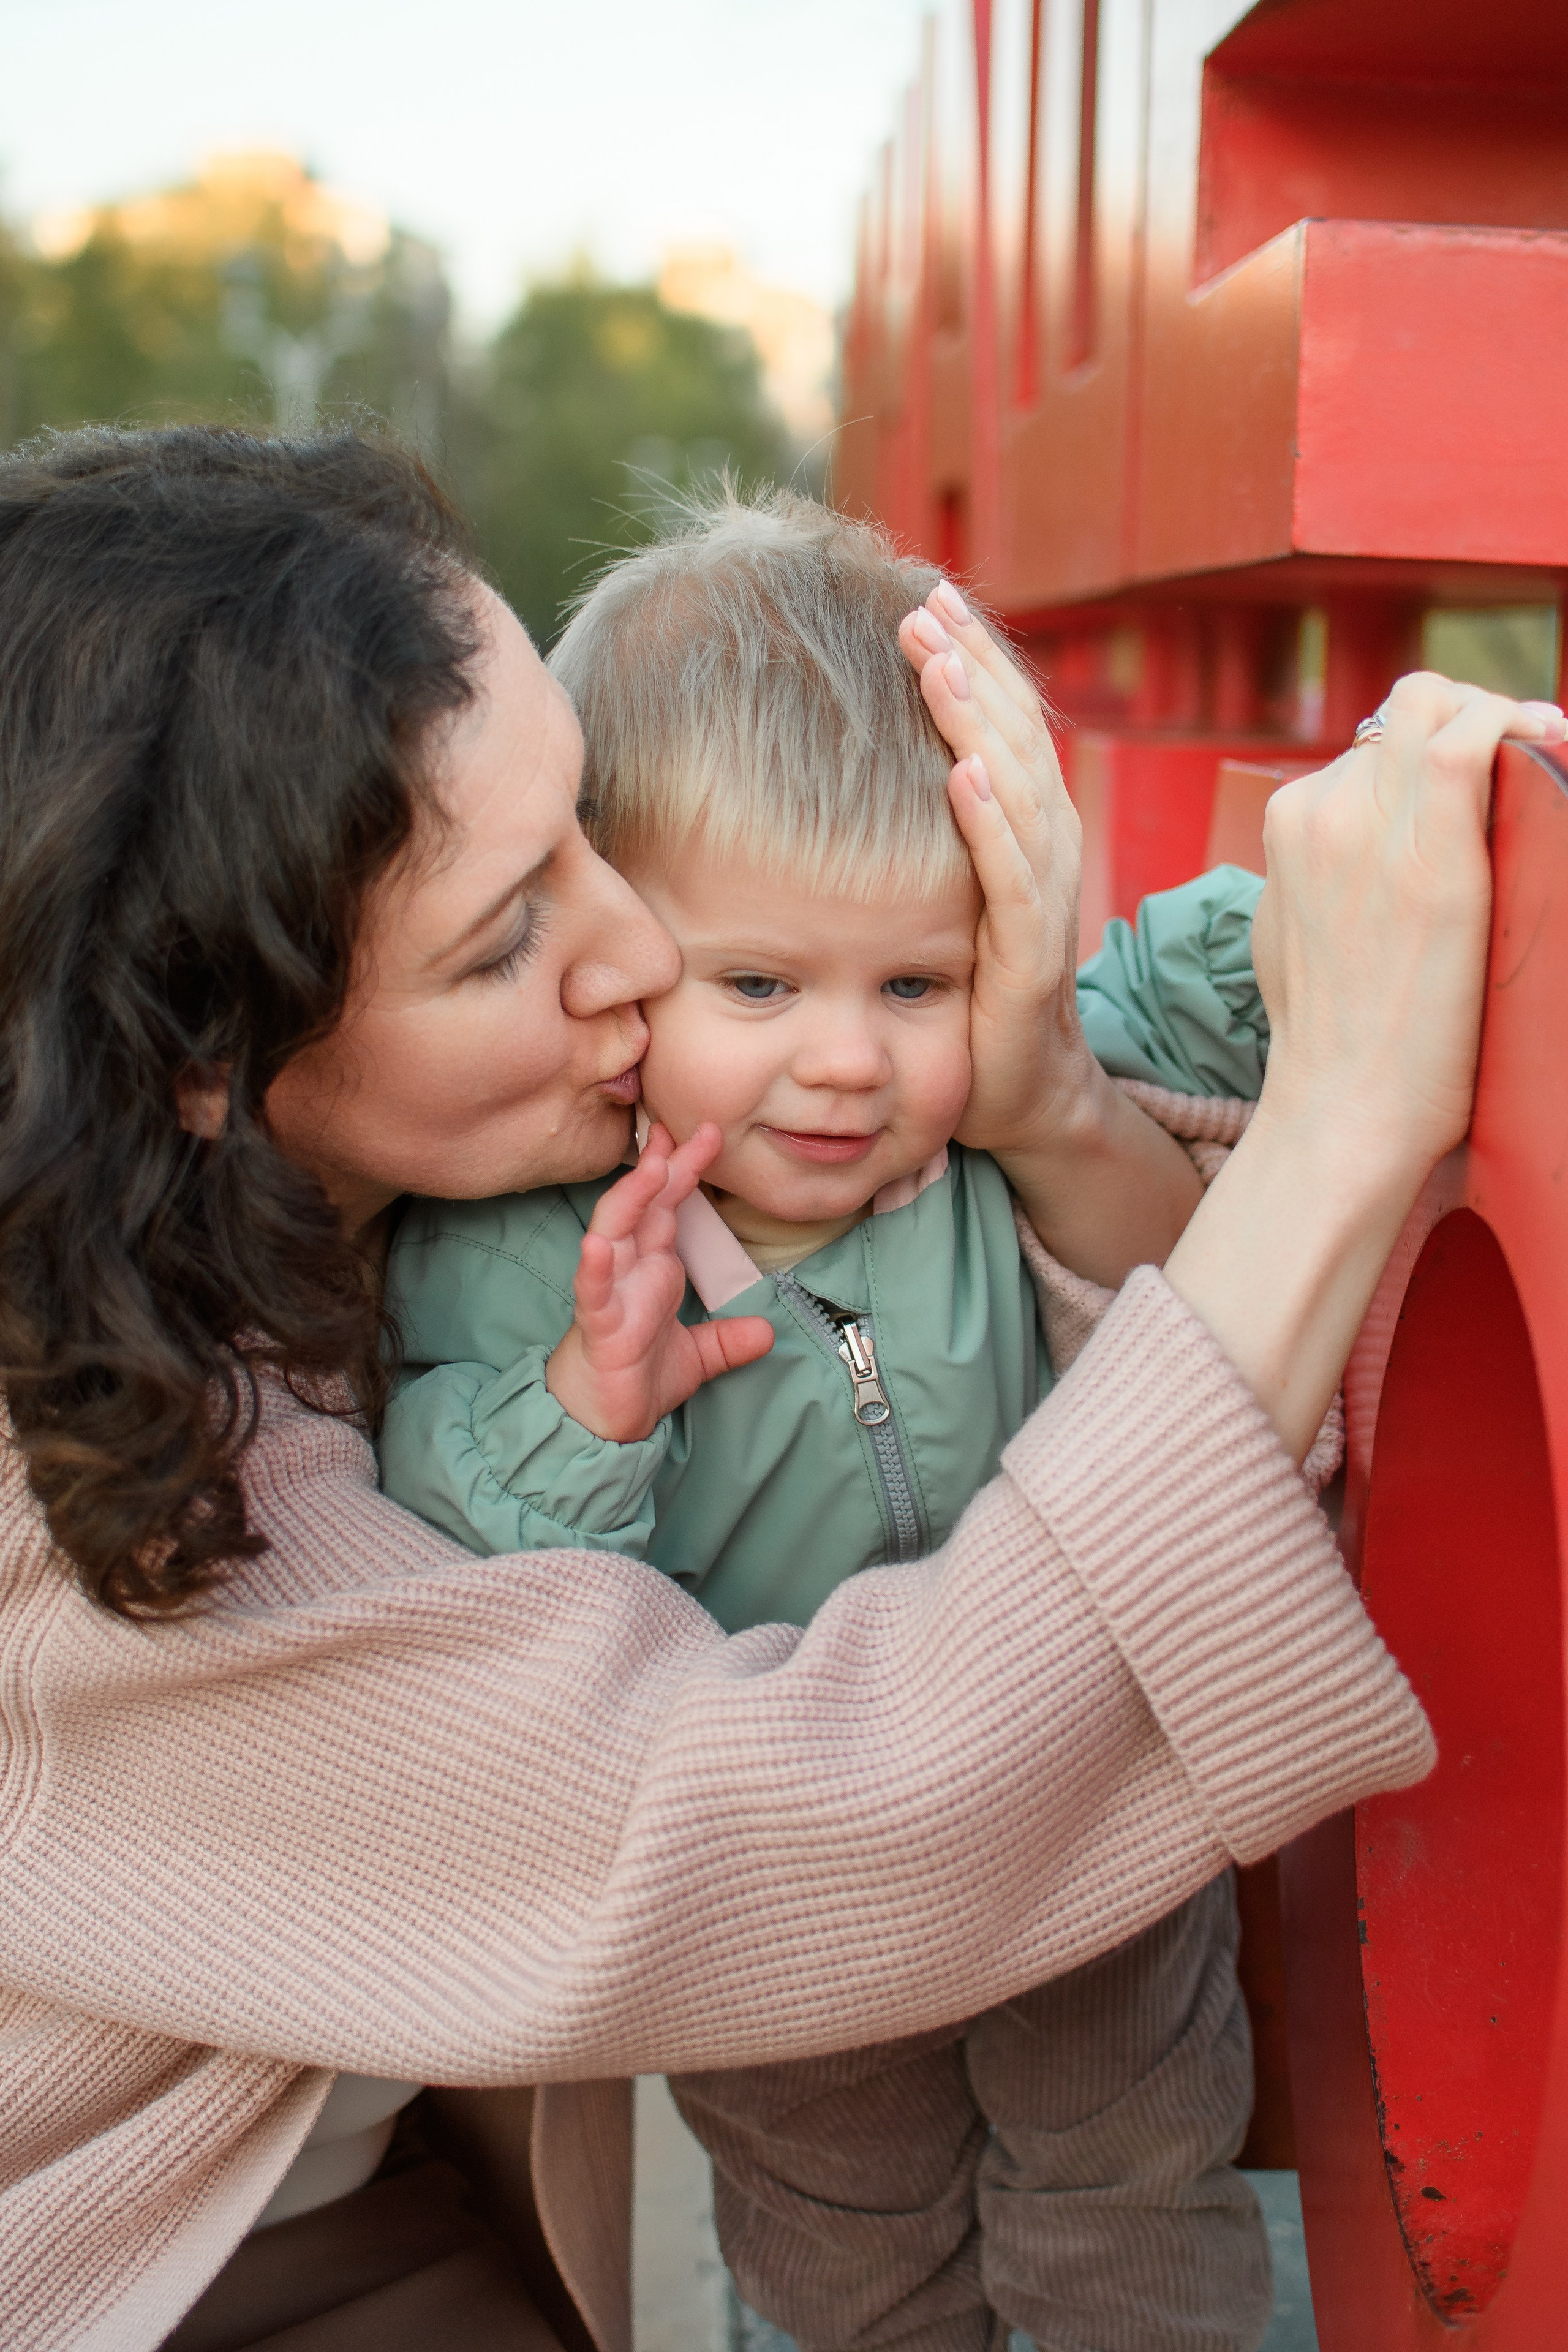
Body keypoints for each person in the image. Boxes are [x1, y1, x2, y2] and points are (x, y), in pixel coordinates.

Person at [0, 425, 1550, 2352]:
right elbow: (827, 1847)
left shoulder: (290, 1224)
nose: (641, 946)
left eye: (590, 832)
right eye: (511, 933)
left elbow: (1093, 1083)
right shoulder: (90, 1547)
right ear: (197, 1049)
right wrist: (1338, 1137)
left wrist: (1058, 1059)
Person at [381, 493, 1289, 2352]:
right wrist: (586, 1407)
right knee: (844, 2253)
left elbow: (1218, 976)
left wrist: (1412, 822)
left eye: (917, 981)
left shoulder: (991, 1120)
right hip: (781, 1887)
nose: (851, 1058)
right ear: (622, 951)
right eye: (762, 985)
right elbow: (471, 1582)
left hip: (1075, 1811)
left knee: (1135, 2197)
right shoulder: (534, 1255)